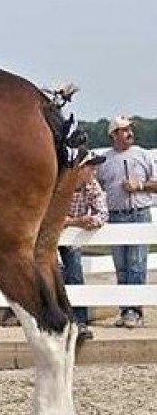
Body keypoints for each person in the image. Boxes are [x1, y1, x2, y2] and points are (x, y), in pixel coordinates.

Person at [96, 115, 156, 328]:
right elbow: (98, 186)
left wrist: (139, 186)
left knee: (137, 264)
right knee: (121, 266)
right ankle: (125, 310)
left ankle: (135, 311)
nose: (129, 133)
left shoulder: (143, 155)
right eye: (123, 130)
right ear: (113, 135)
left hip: (139, 212)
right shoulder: (104, 160)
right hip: (116, 215)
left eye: (130, 129)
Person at [59, 161, 108, 340]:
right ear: (79, 169)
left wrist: (74, 222)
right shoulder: (60, 182)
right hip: (51, 237)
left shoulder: (91, 185)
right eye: (90, 167)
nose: (93, 171)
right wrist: (80, 221)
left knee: (74, 275)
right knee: (53, 277)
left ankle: (79, 321)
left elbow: (102, 214)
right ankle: (59, 321)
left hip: (71, 238)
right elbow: (52, 215)